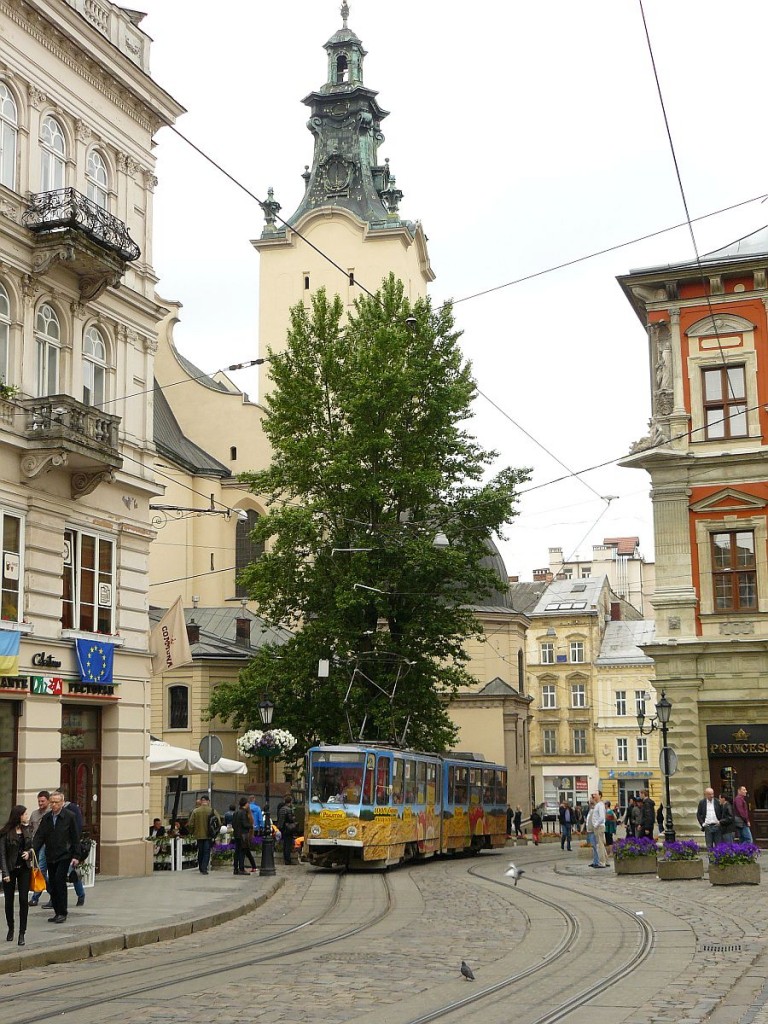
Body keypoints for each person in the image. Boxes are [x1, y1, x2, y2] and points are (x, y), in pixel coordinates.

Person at [32, 792, 79, 923]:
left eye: (56, 802)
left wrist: (76, 855)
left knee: (59, 881)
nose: (54, 805)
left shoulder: (69, 817)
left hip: (64, 855)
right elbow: (39, 836)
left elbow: (75, 837)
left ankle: (62, 912)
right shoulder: (47, 818)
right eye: (52, 802)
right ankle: (57, 911)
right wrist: (32, 850)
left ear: (62, 803)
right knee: (51, 883)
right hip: (50, 855)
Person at [0, 805, 32, 945]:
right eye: (25, 814)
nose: (27, 816)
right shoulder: (6, 833)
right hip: (10, 870)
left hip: (24, 869)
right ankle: (11, 928)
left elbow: (32, 847)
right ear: (18, 815)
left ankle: (22, 932)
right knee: (9, 901)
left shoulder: (28, 829)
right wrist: (5, 872)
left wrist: (29, 853)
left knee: (24, 900)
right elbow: (2, 854)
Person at [55, 789, 86, 908]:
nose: (54, 804)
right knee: (56, 876)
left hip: (69, 848)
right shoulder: (53, 813)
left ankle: (80, 894)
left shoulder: (72, 810)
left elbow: (76, 830)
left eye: (57, 800)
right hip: (55, 849)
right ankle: (55, 899)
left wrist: (75, 852)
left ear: (63, 800)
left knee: (71, 873)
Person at [27, 790, 50, 908]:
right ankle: (53, 894)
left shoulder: (50, 813)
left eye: (42, 801)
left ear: (48, 801)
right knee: (38, 870)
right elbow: (30, 829)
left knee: (40, 870)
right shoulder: (34, 814)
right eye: (39, 801)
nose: (40, 803)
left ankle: (35, 897)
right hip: (36, 844)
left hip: (47, 845)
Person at [186, 795, 214, 875]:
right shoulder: (212, 810)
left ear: (201, 801)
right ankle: (204, 868)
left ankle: (201, 867)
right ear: (208, 801)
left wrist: (192, 832)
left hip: (198, 834)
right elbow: (218, 822)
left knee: (200, 851)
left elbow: (191, 824)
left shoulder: (195, 811)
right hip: (208, 835)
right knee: (206, 851)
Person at [232, 797, 253, 875]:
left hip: (236, 834)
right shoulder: (243, 813)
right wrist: (250, 826)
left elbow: (233, 824)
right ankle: (241, 868)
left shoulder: (236, 812)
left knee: (237, 852)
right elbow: (244, 824)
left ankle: (235, 868)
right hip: (243, 834)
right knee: (242, 852)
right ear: (246, 804)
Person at [276, 796, 297, 865]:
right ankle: (288, 860)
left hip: (282, 828)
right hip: (288, 828)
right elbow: (291, 819)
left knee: (285, 844)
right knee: (288, 844)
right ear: (290, 802)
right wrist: (294, 818)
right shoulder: (289, 809)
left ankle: (285, 858)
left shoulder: (281, 809)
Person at [590, 791, 608, 868]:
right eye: (594, 794)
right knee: (601, 844)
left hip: (599, 827)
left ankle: (602, 862)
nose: (594, 796)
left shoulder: (600, 805)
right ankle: (605, 860)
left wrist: (596, 824)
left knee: (600, 845)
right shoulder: (597, 805)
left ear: (600, 796)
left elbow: (602, 817)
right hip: (598, 826)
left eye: (596, 794)